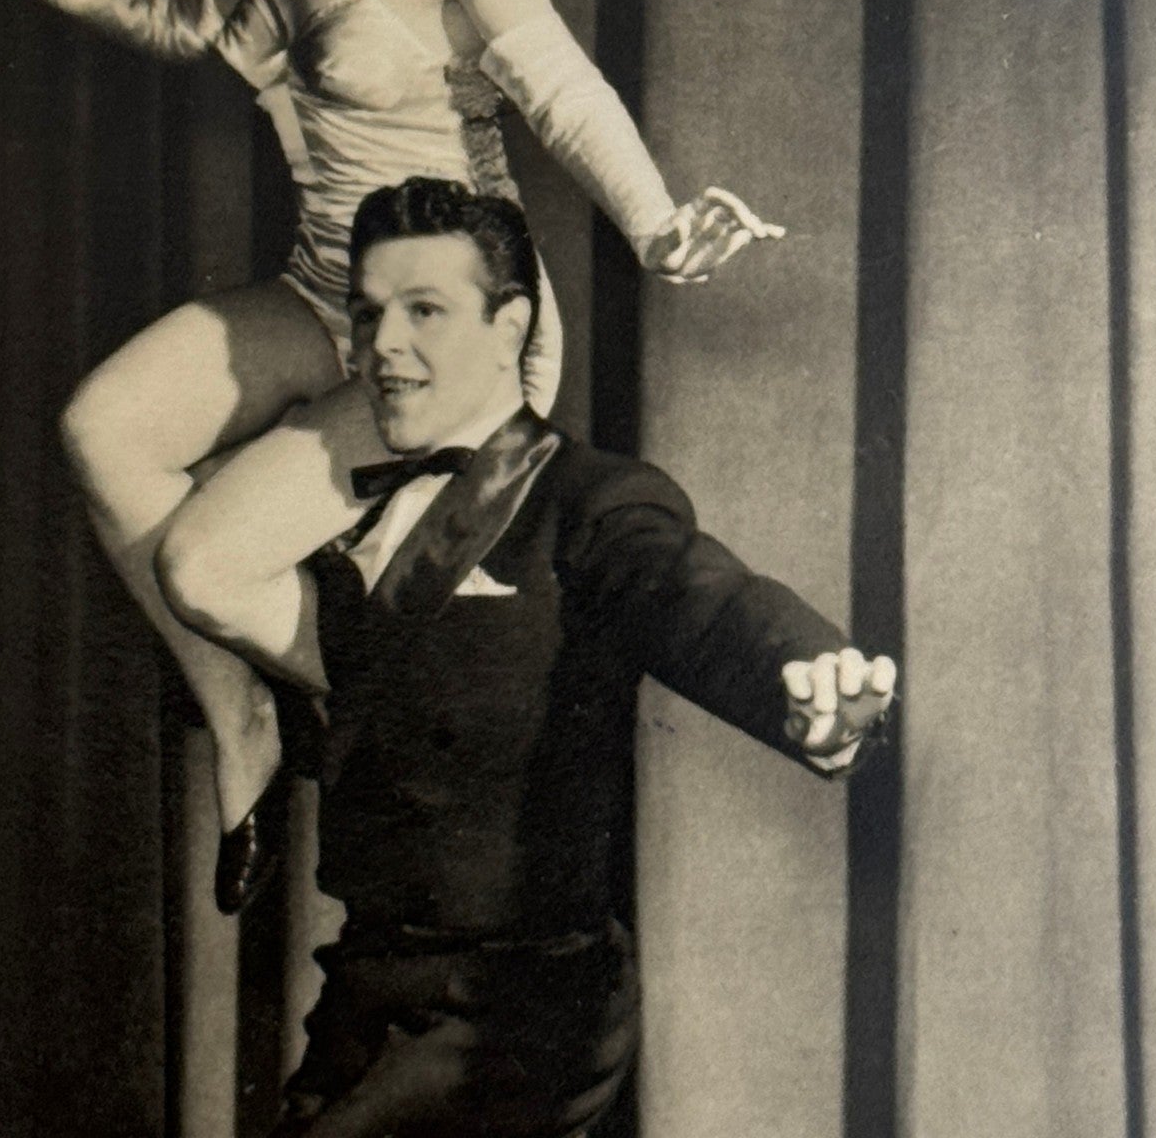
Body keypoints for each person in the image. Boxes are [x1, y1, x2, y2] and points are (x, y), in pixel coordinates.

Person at [0, 0, 785, 912]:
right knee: (102, 428)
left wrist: (661, 227)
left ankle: (422, 714)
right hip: (321, 289)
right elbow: (172, 20)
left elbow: (562, 96)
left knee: (207, 564)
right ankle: (248, 726)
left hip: (453, 320)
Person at [192, 176, 896, 1136]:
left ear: (510, 324)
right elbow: (203, 578)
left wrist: (802, 671)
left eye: (425, 311)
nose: (382, 345)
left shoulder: (591, 501)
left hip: (517, 1011)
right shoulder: (346, 518)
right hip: (370, 986)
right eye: (368, 314)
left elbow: (696, 597)